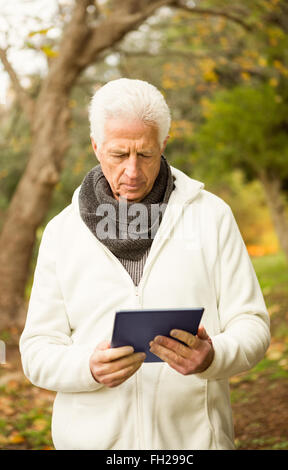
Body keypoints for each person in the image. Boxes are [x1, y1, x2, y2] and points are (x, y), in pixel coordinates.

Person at [19, 78, 270, 450]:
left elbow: (253, 326)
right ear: (96, 147)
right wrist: (87, 367)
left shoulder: (211, 216)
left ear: (164, 145)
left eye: (146, 154)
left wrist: (212, 356)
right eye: (119, 155)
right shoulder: (61, 232)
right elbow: (37, 350)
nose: (133, 172)